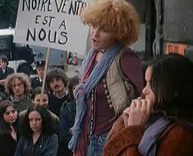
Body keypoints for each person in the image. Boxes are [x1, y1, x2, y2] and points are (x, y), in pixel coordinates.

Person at [68, 0, 144, 155]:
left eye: (104, 30)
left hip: (111, 138)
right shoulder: (92, 55)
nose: (95, 34)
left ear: (119, 33)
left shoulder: (126, 58)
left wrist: (123, 119)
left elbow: (146, 96)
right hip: (87, 137)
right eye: (93, 25)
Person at [103, 53, 193, 155]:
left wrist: (132, 130)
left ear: (169, 88)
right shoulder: (153, 118)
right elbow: (108, 151)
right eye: (146, 83)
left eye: (152, 85)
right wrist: (123, 123)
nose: (144, 91)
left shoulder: (180, 135)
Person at [59, 76, 79, 156]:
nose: (77, 91)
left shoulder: (92, 106)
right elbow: (64, 134)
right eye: (74, 88)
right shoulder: (67, 108)